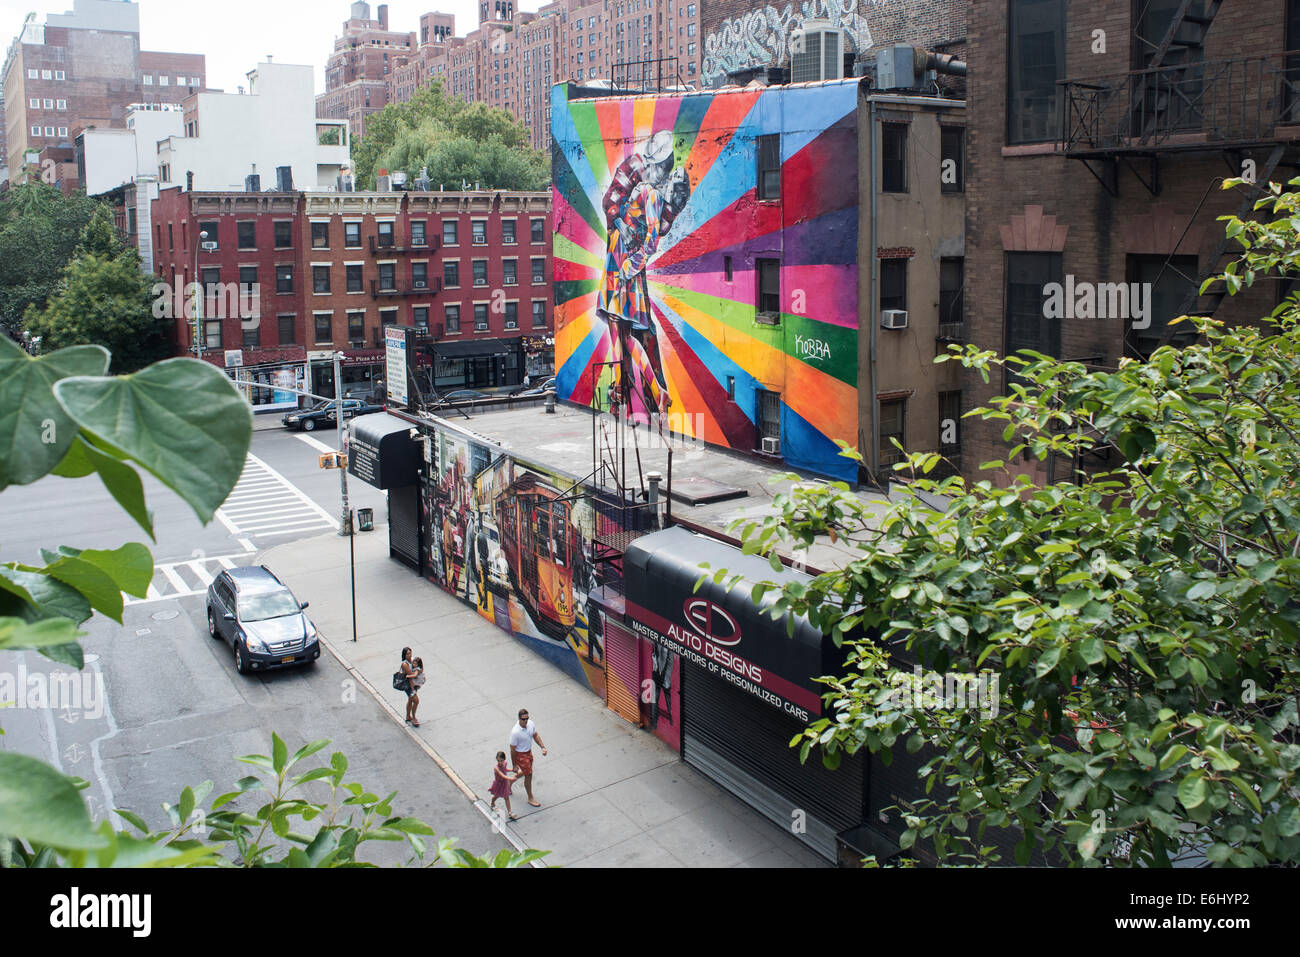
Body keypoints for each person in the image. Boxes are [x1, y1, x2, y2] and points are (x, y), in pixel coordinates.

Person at [508, 708, 548, 807]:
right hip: (520, 755)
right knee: (528, 775)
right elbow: (512, 749)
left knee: (527, 772)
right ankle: (530, 798)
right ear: (519, 719)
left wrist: (542, 747)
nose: (526, 721)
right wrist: (514, 765)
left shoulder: (531, 724)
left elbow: (535, 735)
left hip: (528, 752)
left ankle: (510, 781)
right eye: (523, 719)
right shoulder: (515, 732)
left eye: (527, 718)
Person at [488, 750, 521, 820]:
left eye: (501, 760)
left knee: (506, 797)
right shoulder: (496, 768)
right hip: (498, 784)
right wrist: (510, 779)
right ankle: (492, 802)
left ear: (504, 759)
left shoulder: (505, 763)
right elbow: (502, 775)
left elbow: (505, 769)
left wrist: (512, 770)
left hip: (504, 783)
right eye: (498, 760)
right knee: (496, 795)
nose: (500, 762)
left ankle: (510, 812)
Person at [400, 647, 421, 727]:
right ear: (404, 655)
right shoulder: (405, 664)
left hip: (414, 684)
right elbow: (411, 676)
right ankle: (413, 717)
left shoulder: (412, 660)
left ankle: (408, 716)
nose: (410, 655)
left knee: (410, 700)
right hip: (409, 685)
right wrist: (413, 689)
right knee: (416, 701)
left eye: (410, 653)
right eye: (408, 653)